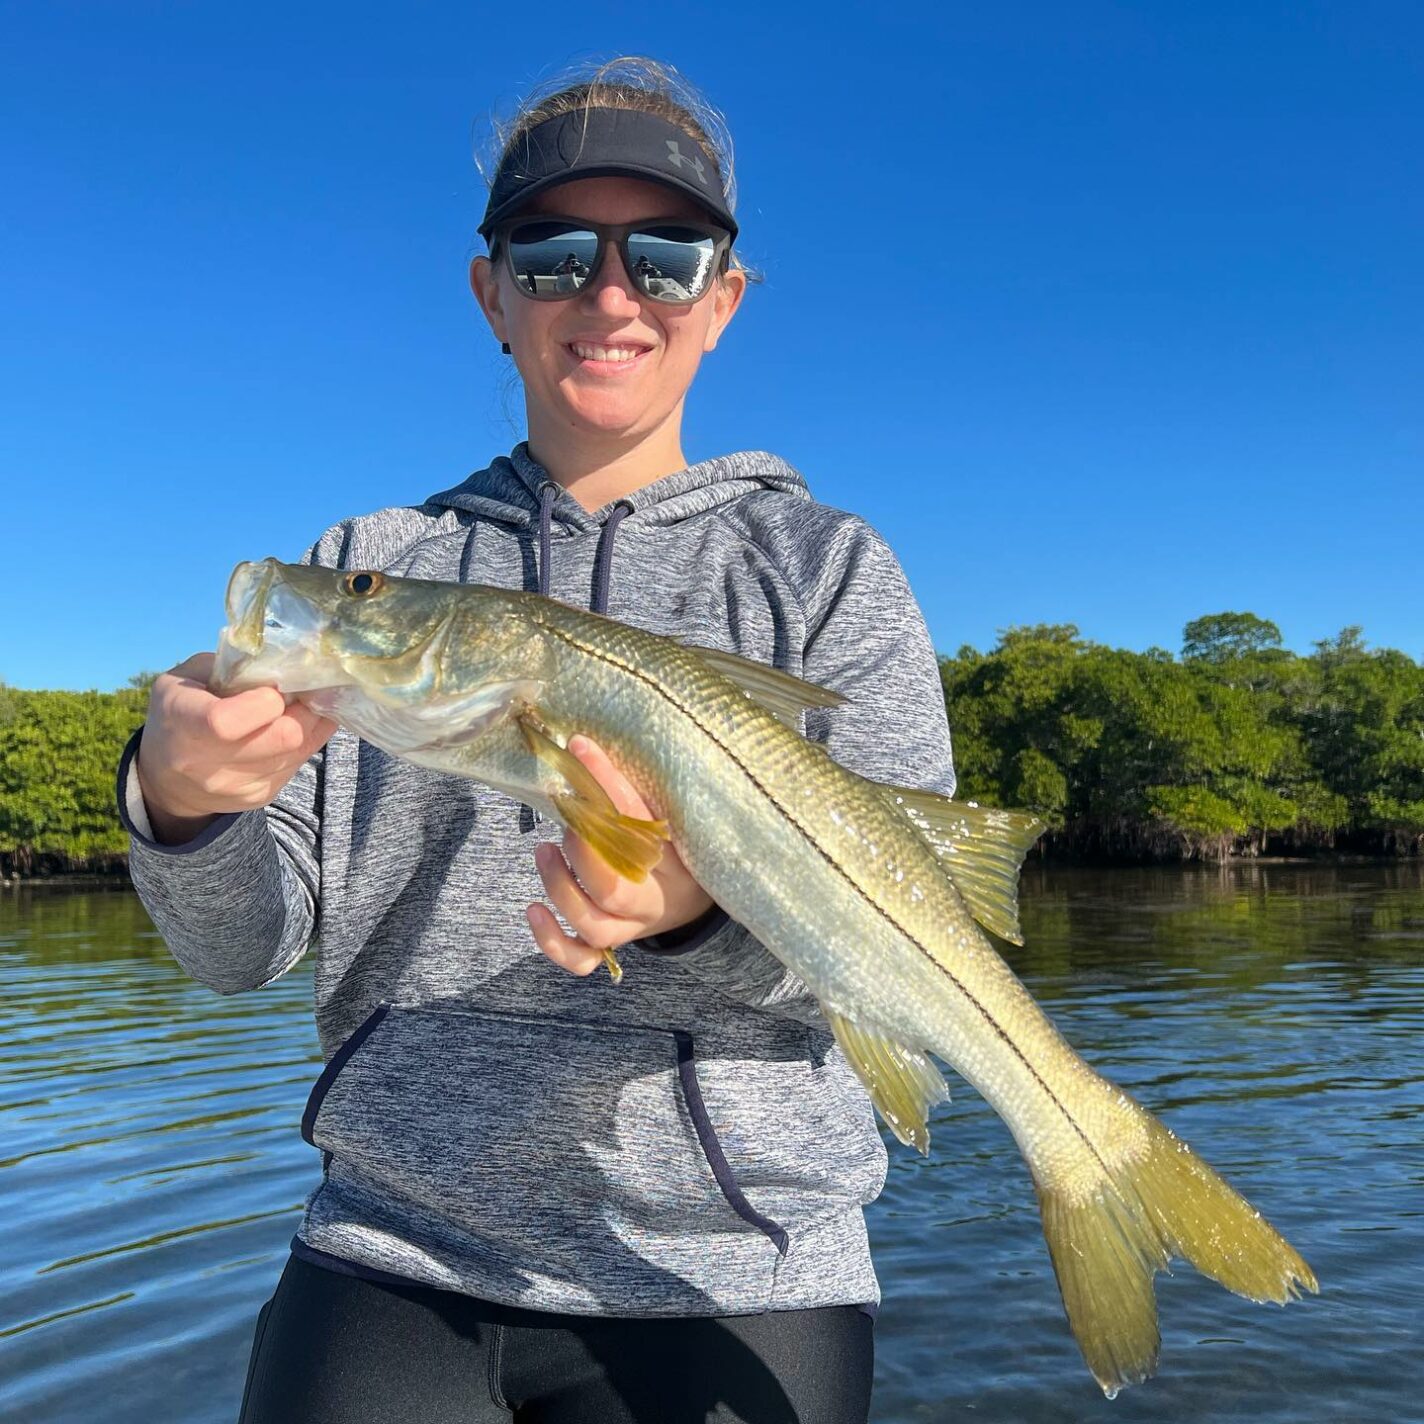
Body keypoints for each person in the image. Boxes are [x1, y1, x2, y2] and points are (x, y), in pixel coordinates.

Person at [116, 56, 955, 1424]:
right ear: (490, 292)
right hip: (392, 1254)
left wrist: (697, 911)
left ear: (724, 299)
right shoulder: (370, 560)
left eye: (665, 256)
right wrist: (183, 805)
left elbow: (902, 944)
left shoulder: (829, 573)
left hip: (739, 1272)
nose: (611, 296)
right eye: (557, 253)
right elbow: (234, 950)